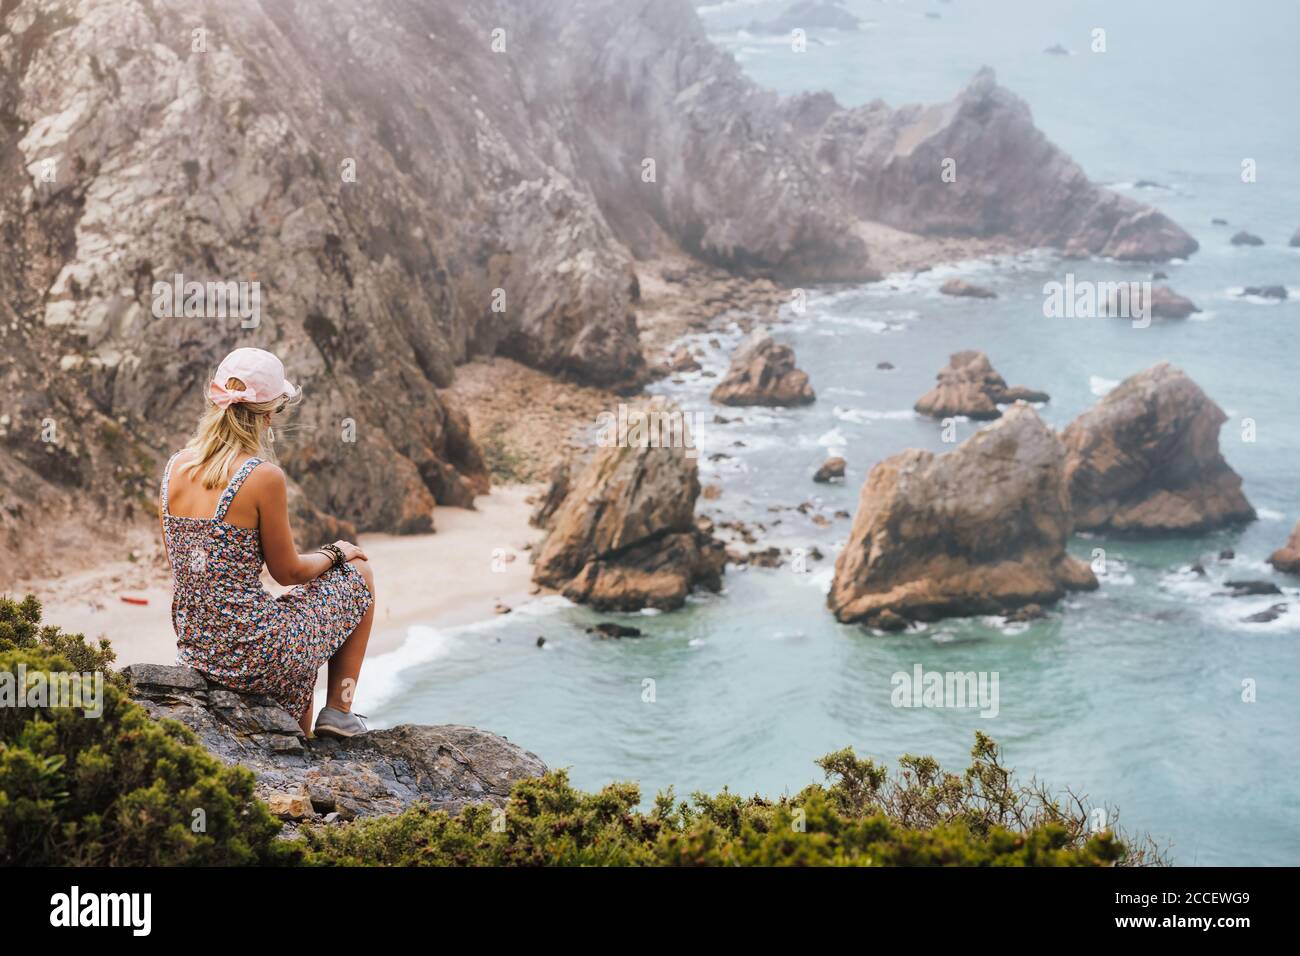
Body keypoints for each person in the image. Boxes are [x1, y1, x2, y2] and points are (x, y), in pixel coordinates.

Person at [158, 347, 375, 737]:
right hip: (256, 653)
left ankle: (300, 739)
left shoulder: (174, 467)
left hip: (198, 651)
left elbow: (186, 568)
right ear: (270, 414)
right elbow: (288, 571)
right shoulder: (262, 476)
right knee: (359, 571)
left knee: (293, 644)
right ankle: (340, 712)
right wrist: (335, 552)